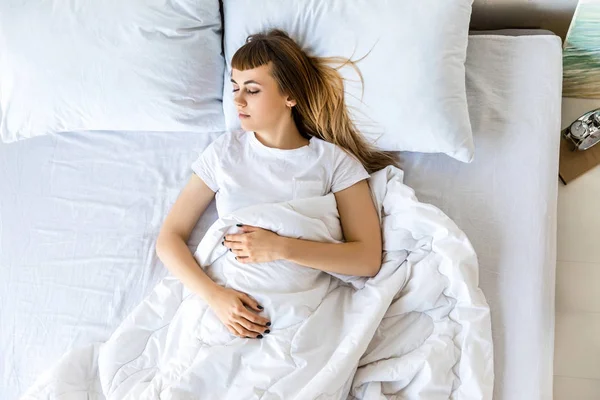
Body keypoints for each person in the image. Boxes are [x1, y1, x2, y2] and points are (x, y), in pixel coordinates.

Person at [155, 29, 399, 341]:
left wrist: (281, 247)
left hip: (297, 314)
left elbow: (366, 259)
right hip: (226, 309)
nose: (238, 100)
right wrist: (214, 297)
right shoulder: (225, 152)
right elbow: (169, 239)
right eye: (235, 88)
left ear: (290, 96)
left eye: (253, 90)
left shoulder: (334, 162)